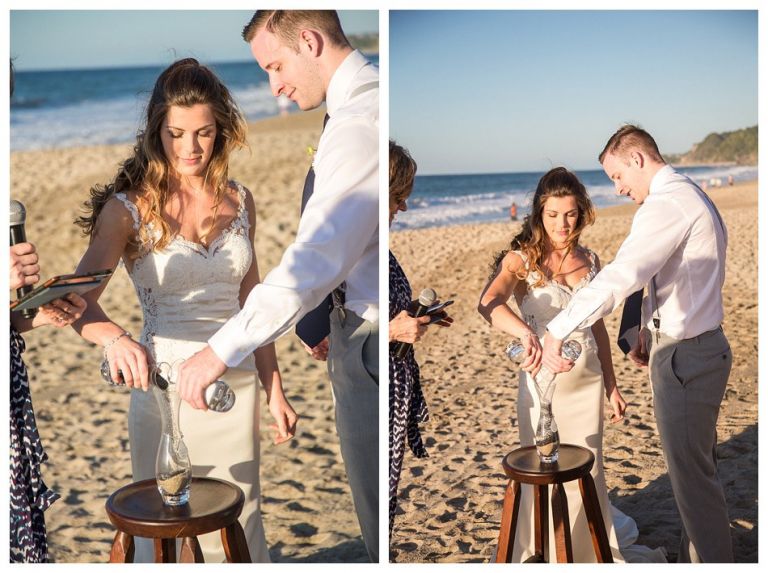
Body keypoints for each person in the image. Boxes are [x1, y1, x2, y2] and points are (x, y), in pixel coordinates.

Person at [71, 58, 297, 563]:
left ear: (221, 130)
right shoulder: (128, 209)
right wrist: (114, 338)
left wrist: (275, 389)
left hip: (232, 387)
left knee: (241, 514)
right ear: (157, 131)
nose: (191, 148)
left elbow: (253, 303)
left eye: (204, 132)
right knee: (167, 528)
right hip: (164, 389)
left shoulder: (241, 201)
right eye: (176, 133)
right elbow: (77, 303)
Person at [175, 11, 380, 562]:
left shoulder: (359, 123)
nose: (276, 87)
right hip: (344, 334)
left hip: (371, 342)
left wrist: (220, 350)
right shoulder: (357, 111)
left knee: (378, 523)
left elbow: (312, 260)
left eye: (275, 65)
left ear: (309, 42)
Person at [541, 125, 732, 563]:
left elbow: (623, 274)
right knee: (698, 477)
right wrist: (643, 326)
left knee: (694, 487)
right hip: (699, 347)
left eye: (617, 176)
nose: (618, 187)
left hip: (687, 357)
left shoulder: (666, 205)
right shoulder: (688, 193)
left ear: (638, 160)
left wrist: (560, 328)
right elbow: (672, 276)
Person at [479, 167, 665, 563]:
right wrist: (525, 335)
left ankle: (586, 551)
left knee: (588, 467)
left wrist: (611, 386)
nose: (562, 224)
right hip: (541, 385)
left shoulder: (590, 258)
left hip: (587, 382)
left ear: (581, 212)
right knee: (543, 468)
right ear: (538, 214)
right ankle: (545, 549)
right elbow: (488, 304)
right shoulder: (521, 259)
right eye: (552, 215)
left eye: (570, 214)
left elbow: (596, 327)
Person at [388, 141, 452, 534]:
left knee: (389, 495)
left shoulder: (383, 249)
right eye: (398, 197)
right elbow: (344, 316)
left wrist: (418, 310)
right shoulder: (358, 246)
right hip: (378, 386)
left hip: (398, 385)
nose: (405, 208)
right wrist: (396, 329)